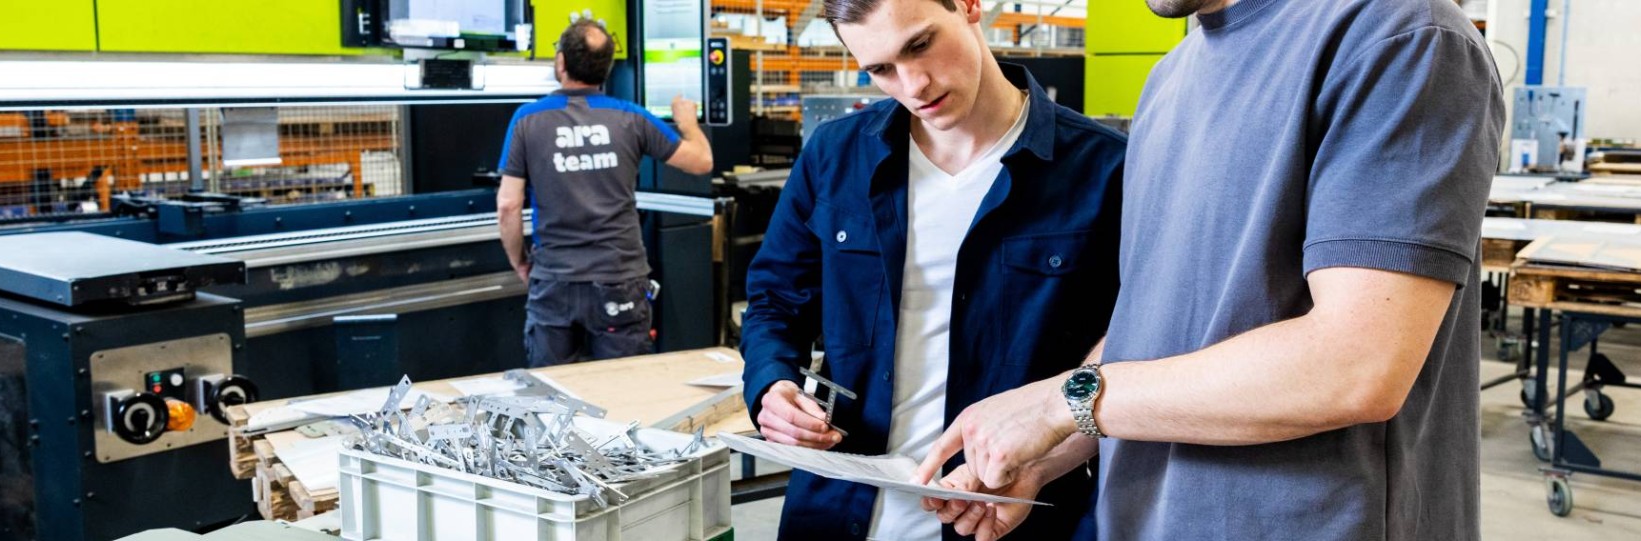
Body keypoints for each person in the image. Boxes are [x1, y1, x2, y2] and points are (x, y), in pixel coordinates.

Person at [916, 0, 1504, 539]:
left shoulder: (1397, 37)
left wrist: (1057, 404)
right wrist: (1049, 453)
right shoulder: (1171, 78)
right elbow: (1158, 330)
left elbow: (1356, 365)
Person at [737, 0, 1128, 537]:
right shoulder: (833, 157)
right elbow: (775, 300)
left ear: (969, 6)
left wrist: (1039, 464)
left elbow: (1133, 346)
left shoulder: (1106, 170)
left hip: (1006, 514)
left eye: (920, 45)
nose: (912, 84)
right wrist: (770, 385)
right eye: (880, 70)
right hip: (837, 511)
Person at [497, 19, 713, 367]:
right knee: (624, 390)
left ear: (561, 62)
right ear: (607, 69)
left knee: (551, 399)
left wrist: (519, 261)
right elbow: (702, 161)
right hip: (620, 278)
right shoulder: (631, 117)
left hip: (554, 279)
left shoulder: (527, 120)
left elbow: (508, 205)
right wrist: (688, 122)